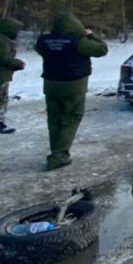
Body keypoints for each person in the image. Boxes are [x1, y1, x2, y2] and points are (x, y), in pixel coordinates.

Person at [36, 13, 108, 171]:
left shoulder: (43, 40)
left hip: (50, 84)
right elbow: (102, 49)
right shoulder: (78, 42)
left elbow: (42, 51)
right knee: (71, 119)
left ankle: (56, 151)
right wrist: (91, 35)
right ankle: (58, 156)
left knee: (54, 120)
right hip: (73, 85)